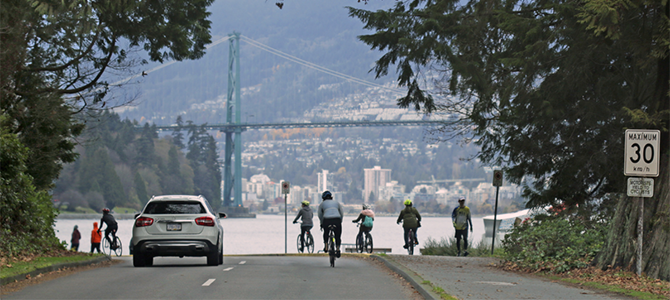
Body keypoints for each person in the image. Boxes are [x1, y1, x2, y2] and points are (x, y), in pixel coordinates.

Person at [318, 190, 344, 257]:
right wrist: (340, 221)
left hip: (327, 220)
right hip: (337, 219)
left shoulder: (322, 204)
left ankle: (326, 246)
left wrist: (321, 223)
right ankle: (338, 249)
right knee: (337, 235)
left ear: (323, 198)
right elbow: (341, 213)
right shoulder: (337, 203)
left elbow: (320, 214)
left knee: (326, 232)